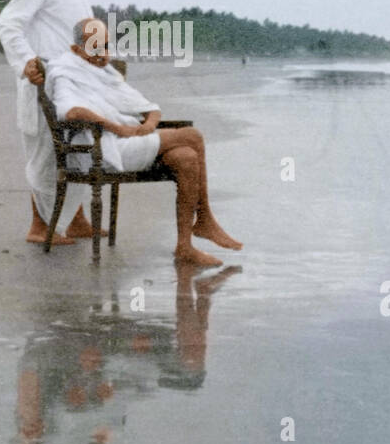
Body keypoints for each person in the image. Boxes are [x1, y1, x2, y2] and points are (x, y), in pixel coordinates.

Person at [45, 17, 243, 268]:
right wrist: (118, 128)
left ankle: (185, 247)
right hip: (102, 152)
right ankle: (204, 219)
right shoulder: (65, 72)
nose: (102, 54)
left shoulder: (107, 73)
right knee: (192, 135)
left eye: (106, 46)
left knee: (186, 157)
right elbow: (71, 112)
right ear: (76, 50)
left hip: (128, 144)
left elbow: (149, 107)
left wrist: (148, 127)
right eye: (95, 48)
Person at [0, 0, 102, 246]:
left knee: (79, 149)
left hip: (73, 80)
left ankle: (76, 220)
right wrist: (28, 61)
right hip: (47, 79)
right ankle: (39, 227)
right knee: (48, 153)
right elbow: (8, 22)